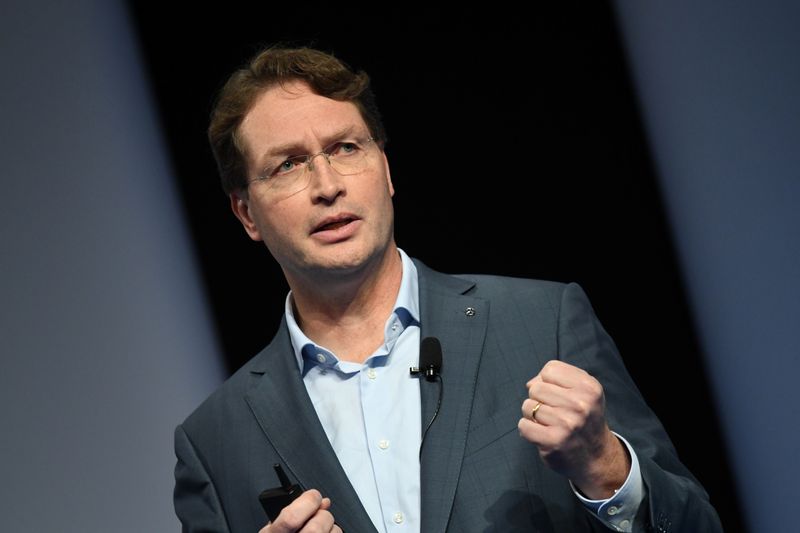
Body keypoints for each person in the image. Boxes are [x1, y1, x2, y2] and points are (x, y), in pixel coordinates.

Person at [173, 45, 723, 533]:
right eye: (288, 164)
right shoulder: (214, 442)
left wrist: (605, 466)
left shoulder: (542, 321)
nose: (328, 185)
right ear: (246, 212)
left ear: (384, 169)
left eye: (345, 148)